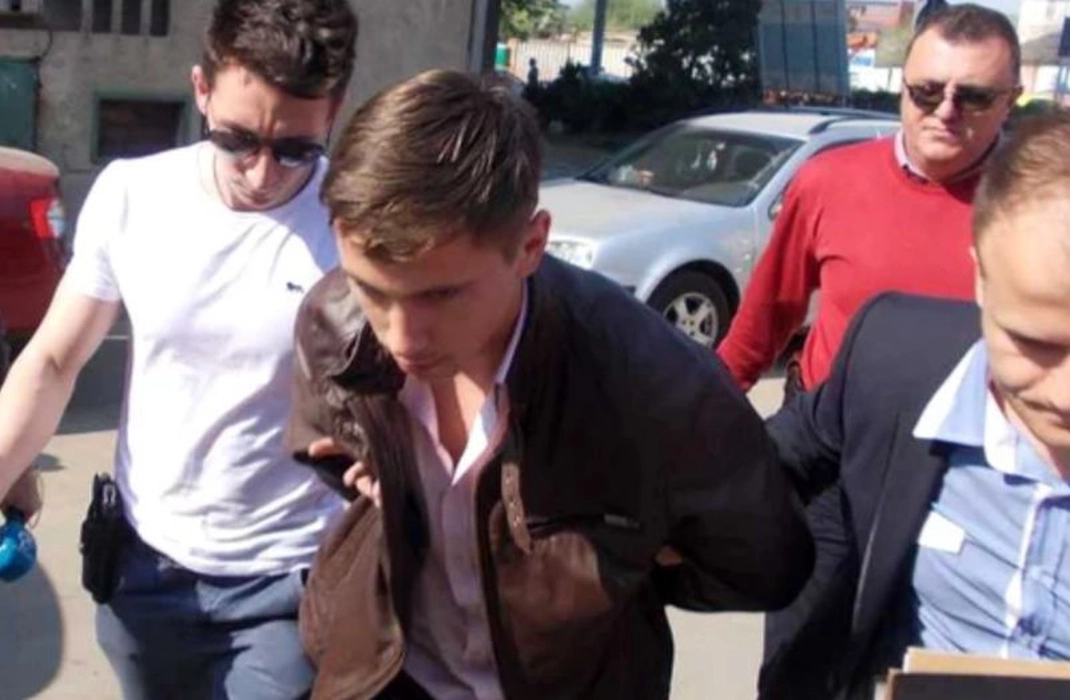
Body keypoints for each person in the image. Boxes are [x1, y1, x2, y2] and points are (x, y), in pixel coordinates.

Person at [286, 68, 814, 700]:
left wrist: (626, 555)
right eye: (371, 290)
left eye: (441, 296)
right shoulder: (333, 321)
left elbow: (765, 563)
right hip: (383, 679)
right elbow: (325, 440)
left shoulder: (652, 384)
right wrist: (371, 473)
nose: (402, 338)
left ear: (531, 244)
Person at [0, 0, 358, 696]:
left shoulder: (353, 222)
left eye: (295, 149)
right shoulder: (135, 195)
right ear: (201, 90)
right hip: (144, 572)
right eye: (237, 140)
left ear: (334, 112)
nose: (263, 173)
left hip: (291, 578)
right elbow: (53, 360)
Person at [761, 112, 1070, 699]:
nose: (1064, 396)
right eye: (1034, 344)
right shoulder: (895, 359)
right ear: (981, 279)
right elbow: (767, 466)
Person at [718, 3, 1021, 397]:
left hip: (965, 433)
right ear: (903, 87)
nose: (946, 111)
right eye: (927, 92)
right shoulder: (827, 180)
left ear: (1010, 101)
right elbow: (765, 316)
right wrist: (704, 405)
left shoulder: (1041, 207)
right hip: (822, 426)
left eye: (974, 97)